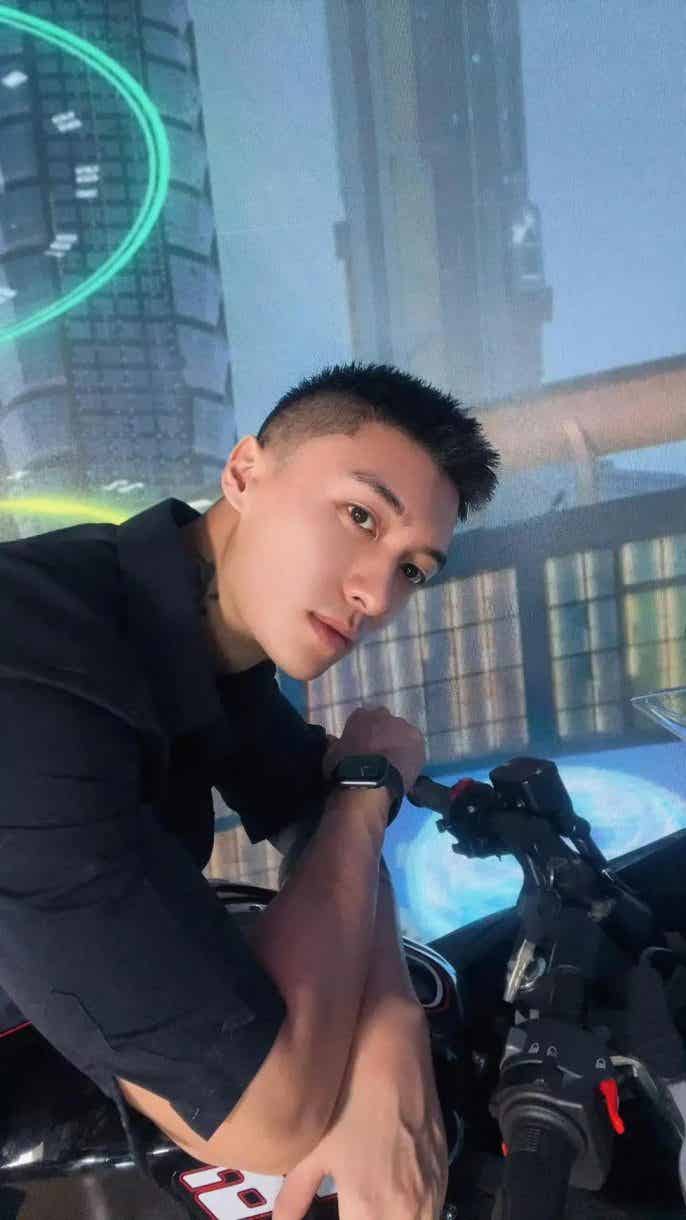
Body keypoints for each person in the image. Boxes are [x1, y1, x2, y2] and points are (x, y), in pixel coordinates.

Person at [0, 360, 499, 1219]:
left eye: (413, 569)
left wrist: (392, 1036)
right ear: (243, 472)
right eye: (359, 515)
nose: (375, 594)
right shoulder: (42, 675)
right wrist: (368, 785)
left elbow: (315, 811)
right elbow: (266, 1116)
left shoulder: (196, 637)